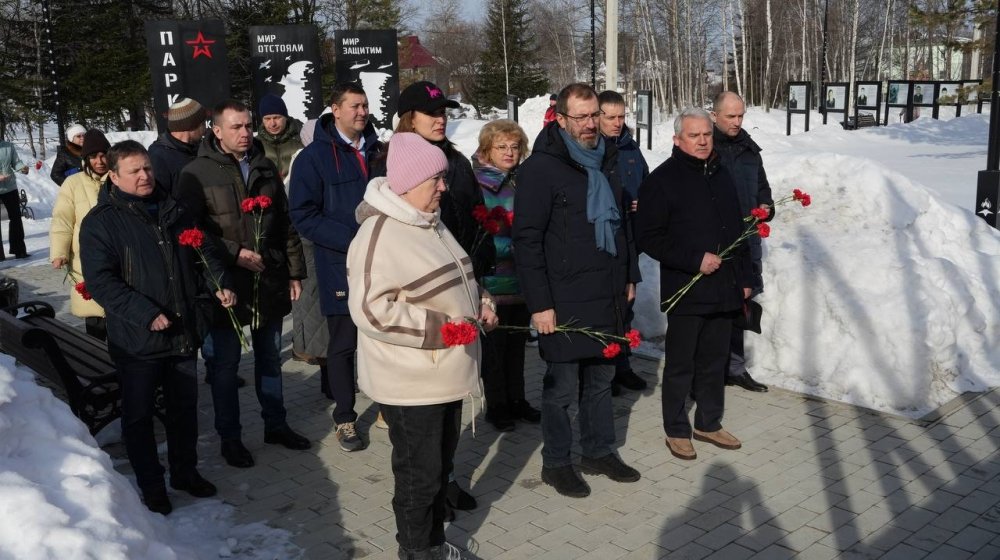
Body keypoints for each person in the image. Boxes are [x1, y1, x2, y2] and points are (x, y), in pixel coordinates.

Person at [347, 132, 498, 560]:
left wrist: (482, 303)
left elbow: (460, 279)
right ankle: (416, 550)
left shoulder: (428, 220)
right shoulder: (378, 235)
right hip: (412, 383)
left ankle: (432, 542)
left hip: (446, 374)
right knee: (419, 476)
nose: (444, 187)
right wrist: (443, 330)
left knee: (439, 470)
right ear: (409, 182)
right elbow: (371, 311)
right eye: (437, 179)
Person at [79, 140, 235, 515]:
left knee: (184, 409)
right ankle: (152, 485)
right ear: (113, 176)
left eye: (147, 168)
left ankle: (185, 472)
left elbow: (205, 253)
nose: (145, 176)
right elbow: (101, 281)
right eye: (134, 171)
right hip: (137, 340)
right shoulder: (101, 222)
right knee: (139, 416)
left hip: (182, 329)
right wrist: (144, 312)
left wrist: (219, 284)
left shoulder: (174, 209)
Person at [513, 83, 642, 498]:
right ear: (561, 119)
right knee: (562, 389)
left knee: (602, 380)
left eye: (594, 116)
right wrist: (541, 304)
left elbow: (622, 227)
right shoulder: (540, 169)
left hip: (605, 291)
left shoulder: (607, 158)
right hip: (563, 298)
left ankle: (598, 451)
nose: (590, 125)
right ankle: (556, 463)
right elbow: (527, 241)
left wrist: (628, 277)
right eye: (582, 117)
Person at [374, 80, 492, 513]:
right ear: (409, 118)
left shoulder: (456, 160)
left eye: (443, 110)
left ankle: (446, 477)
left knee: (451, 399)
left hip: (458, 285)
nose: (440, 117)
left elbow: (470, 213)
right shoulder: (388, 164)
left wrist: (482, 250)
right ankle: (423, 493)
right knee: (422, 418)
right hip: (421, 299)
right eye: (430, 111)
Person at [176, 99, 311, 469]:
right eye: (236, 127)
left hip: (267, 279)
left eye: (248, 126)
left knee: (269, 357)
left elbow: (285, 224)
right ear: (216, 130)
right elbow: (190, 230)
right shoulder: (197, 173)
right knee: (225, 365)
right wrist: (233, 252)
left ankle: (276, 424)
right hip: (225, 283)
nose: (245, 133)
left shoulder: (264, 167)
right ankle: (230, 437)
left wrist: (294, 272)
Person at [635, 107, 753, 461]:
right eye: (694, 136)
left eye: (706, 135)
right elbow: (649, 237)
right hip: (687, 288)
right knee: (681, 363)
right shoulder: (662, 180)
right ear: (677, 139)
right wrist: (693, 259)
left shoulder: (722, 173)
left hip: (724, 287)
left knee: (715, 360)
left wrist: (745, 278)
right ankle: (676, 428)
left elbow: (737, 230)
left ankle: (708, 422)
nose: (702, 141)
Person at [289, 83, 381, 452]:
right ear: (335, 109)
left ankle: (388, 403)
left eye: (365, 105)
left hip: (383, 263)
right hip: (340, 264)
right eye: (354, 106)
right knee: (343, 345)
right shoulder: (314, 157)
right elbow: (303, 215)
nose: (362, 112)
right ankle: (345, 417)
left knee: (379, 338)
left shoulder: (380, 151)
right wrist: (352, 239)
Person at [472, 119, 541, 432]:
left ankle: (518, 399)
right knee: (494, 349)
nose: (510, 152)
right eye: (502, 147)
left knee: (516, 345)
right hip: (493, 279)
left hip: (521, 277)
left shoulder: (521, 180)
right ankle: (497, 405)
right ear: (487, 149)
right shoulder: (477, 184)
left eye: (515, 146)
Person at [711, 92, 773, 393]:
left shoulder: (749, 148)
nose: (737, 122)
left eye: (740, 116)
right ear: (715, 116)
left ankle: (735, 368)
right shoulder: (704, 146)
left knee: (741, 304)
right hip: (716, 245)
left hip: (746, 241)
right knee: (714, 308)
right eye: (730, 116)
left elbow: (762, 186)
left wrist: (767, 207)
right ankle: (710, 370)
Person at [597, 90, 649, 395]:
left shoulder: (630, 148)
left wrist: (643, 202)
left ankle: (623, 366)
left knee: (626, 306)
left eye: (622, 117)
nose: (618, 123)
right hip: (603, 240)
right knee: (604, 309)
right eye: (611, 117)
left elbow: (647, 181)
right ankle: (604, 371)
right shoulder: (592, 149)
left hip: (630, 239)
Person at [50, 129, 111, 338]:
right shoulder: (73, 183)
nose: (100, 161)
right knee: (94, 314)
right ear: (85, 158)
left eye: (104, 155)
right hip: (86, 258)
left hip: (119, 256)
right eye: (93, 156)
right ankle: (98, 362)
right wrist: (59, 252)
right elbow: (62, 219)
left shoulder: (120, 179)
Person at [148, 98, 207, 197]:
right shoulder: (158, 156)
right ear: (191, 126)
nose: (205, 129)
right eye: (202, 124)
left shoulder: (200, 149)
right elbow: (159, 201)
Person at [257, 94, 304, 180]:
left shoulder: (302, 138)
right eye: (267, 119)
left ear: (285, 117)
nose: (273, 124)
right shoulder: (255, 144)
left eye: (277, 117)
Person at [0, 137, 29, 260]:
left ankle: (19, 250)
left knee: (16, 218)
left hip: (10, 187)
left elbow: (16, 162)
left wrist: (22, 168)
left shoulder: (8, 146)